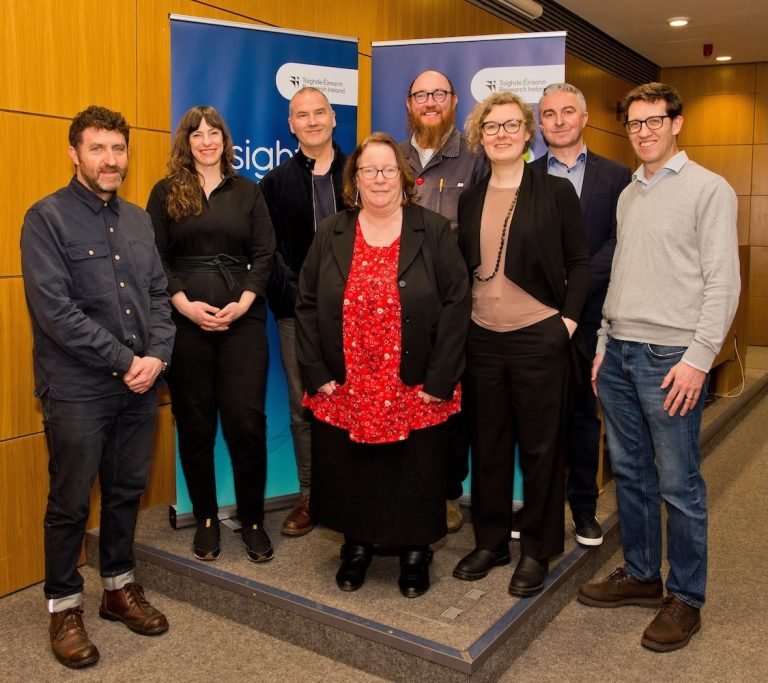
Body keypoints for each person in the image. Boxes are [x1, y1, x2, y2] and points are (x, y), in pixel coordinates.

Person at [578, 82, 740, 652]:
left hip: (672, 359)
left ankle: (686, 597)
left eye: (654, 121)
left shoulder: (709, 189)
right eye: (634, 123)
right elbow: (621, 274)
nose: (643, 131)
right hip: (620, 350)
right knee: (631, 474)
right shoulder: (630, 192)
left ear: (678, 123)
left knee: (680, 483)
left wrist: (699, 360)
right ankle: (644, 576)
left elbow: (723, 283)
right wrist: (602, 341)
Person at [20, 105, 175, 669]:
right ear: (74, 153)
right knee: (68, 502)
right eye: (98, 149)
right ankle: (64, 608)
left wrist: (156, 356)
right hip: (78, 389)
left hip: (139, 386)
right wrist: (127, 359)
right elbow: (56, 313)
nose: (111, 161)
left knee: (126, 491)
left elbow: (159, 296)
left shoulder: (138, 220)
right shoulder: (46, 219)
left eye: (119, 150)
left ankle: (117, 589)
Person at [295, 132, 470, 598]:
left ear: (402, 177)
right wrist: (317, 372)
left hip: (413, 382)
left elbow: (457, 302)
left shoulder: (430, 229)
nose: (378, 178)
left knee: (413, 469)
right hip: (347, 381)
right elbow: (307, 304)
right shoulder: (331, 230)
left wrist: (440, 377)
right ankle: (356, 548)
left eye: (387, 169)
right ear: (355, 178)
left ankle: (416, 552)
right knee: (353, 469)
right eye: (368, 170)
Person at [452, 92, 590, 597]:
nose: (502, 134)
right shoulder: (471, 196)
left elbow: (580, 263)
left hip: (540, 337)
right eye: (492, 127)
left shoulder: (555, 193)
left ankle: (536, 548)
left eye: (512, 125)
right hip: (482, 338)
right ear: (479, 136)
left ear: (528, 133)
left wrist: (567, 324)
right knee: (488, 446)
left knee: (541, 448)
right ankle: (491, 541)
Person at [146, 106, 275, 564]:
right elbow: (154, 258)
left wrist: (243, 303)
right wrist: (183, 304)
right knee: (196, 424)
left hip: (243, 324)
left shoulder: (248, 191)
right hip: (184, 326)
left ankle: (254, 519)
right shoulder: (165, 193)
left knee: (245, 423)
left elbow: (264, 255)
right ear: (186, 141)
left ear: (225, 138)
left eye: (213, 132)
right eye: (196, 133)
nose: (206, 140)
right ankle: (205, 518)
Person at [531, 82, 632, 546]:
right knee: (536, 416)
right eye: (549, 113)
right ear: (540, 123)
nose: (558, 120)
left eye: (567, 111)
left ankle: (584, 509)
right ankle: (540, 509)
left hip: (591, 313)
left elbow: (620, 238)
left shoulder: (616, 176)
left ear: (584, 116)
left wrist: (579, 282)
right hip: (537, 315)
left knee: (581, 416)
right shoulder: (527, 176)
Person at [401, 69, 489, 533]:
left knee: (451, 407)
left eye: (438, 94)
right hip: (397, 311)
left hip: (456, 308)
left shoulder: (474, 160)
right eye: (421, 95)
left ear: (454, 101)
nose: (430, 101)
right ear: (409, 104)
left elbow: (482, 236)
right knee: (402, 400)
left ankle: (448, 494)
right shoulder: (391, 159)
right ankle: (407, 487)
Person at [260, 87, 346, 537]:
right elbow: (267, 252)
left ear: (333, 118)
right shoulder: (273, 184)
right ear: (290, 125)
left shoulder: (361, 172)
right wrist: (299, 297)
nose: (311, 121)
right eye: (301, 115)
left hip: (360, 314)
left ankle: (356, 492)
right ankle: (312, 493)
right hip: (296, 313)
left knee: (360, 402)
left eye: (319, 113)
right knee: (303, 405)